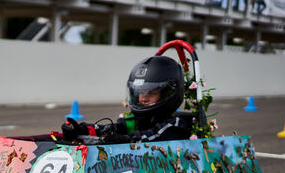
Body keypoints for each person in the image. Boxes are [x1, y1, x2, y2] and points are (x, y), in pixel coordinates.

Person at [61, 56, 192, 143]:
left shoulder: (176, 125)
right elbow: (113, 129)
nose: (143, 98)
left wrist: (124, 140)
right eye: (140, 92)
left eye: (151, 93)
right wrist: (82, 129)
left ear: (168, 93)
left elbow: (153, 137)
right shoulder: (133, 121)